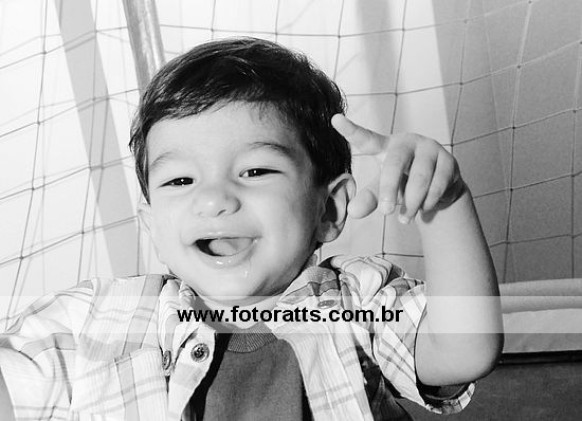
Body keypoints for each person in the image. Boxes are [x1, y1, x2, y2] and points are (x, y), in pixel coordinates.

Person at [0, 37, 503, 420]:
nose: (213, 198)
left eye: (255, 171)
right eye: (179, 180)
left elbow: (463, 350)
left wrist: (446, 204)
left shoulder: (356, 302)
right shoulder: (99, 320)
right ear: (152, 224)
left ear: (329, 210)